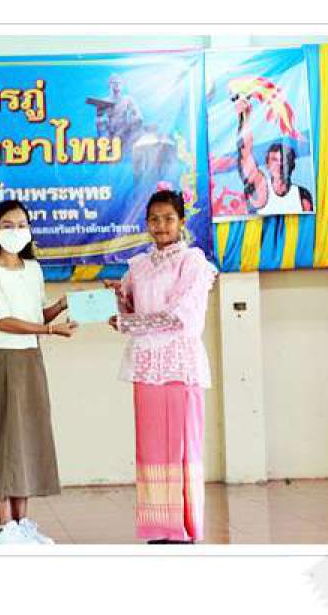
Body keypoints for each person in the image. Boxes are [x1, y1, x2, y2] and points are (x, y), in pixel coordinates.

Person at [105, 190, 217, 543]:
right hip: (147, 367)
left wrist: (129, 322)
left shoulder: (193, 262)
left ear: (182, 221)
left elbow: (180, 317)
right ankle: (159, 526)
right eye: (154, 219)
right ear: (146, 224)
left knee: (182, 446)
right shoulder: (138, 266)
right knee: (151, 447)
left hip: (179, 366)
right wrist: (118, 298)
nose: (161, 225)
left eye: (169, 218)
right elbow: (129, 311)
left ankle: (184, 527)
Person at [0, 200, 78, 544]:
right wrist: (49, 330)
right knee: (6, 438)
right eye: (8, 225)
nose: (16, 231)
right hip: (2, 357)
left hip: (31, 356)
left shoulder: (33, 269)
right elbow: (1, 321)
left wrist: (61, 306)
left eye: (22, 224)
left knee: (28, 437)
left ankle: (22, 522)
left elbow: (34, 315)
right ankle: (5, 527)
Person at [235, 98, 314, 214]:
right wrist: (244, 119)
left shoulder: (301, 195)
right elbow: (245, 154)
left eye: (284, 159)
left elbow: (309, 222)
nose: (279, 164)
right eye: (274, 160)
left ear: (292, 164)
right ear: (267, 164)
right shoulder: (261, 189)